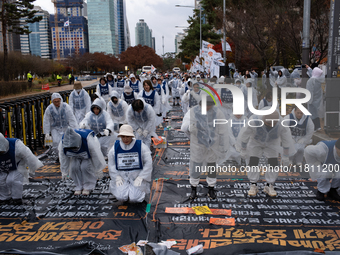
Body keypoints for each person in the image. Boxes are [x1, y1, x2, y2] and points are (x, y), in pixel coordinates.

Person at [236, 108, 296, 197]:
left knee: (273, 162)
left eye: (273, 124)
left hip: (272, 142)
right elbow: (244, 135)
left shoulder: (281, 124)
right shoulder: (254, 121)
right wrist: (243, 149)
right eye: (268, 124)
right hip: (255, 141)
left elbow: (286, 140)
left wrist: (286, 155)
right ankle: (253, 184)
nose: (270, 126)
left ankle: (269, 185)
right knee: (253, 160)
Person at [181, 96, 229, 200]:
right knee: (195, 165)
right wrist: (190, 127)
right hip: (198, 144)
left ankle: (211, 187)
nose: (207, 108)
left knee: (212, 166)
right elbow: (184, 126)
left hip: (213, 145)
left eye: (209, 106)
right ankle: (193, 188)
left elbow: (223, 128)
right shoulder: (193, 112)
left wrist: (222, 144)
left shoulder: (217, 112)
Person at [108, 125, 153, 203]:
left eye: (127, 136)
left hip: (136, 176)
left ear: (131, 136)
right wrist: (117, 176)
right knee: (121, 197)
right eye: (123, 136)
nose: (125, 139)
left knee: (135, 199)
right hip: (122, 177)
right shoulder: (115, 148)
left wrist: (141, 177)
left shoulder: (140, 146)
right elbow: (111, 164)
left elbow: (148, 162)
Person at [59, 127, 106, 196]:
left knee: (85, 167)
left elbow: (95, 154)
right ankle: (78, 185)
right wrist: (64, 171)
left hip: (87, 154)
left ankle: (88, 186)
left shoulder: (88, 140)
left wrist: (98, 169)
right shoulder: (63, 143)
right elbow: (63, 157)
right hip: (75, 156)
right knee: (74, 167)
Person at [0, 133, 43, 205]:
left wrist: (33, 167)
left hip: (17, 165)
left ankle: (17, 198)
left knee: (12, 180)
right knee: (1, 181)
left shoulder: (16, 145)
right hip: (2, 167)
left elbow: (28, 156)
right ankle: (4, 197)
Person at [43, 93, 78, 161]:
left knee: (66, 141)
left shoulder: (66, 107)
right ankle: (59, 156)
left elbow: (71, 118)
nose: (57, 103)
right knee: (56, 142)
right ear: (52, 101)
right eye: (55, 101)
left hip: (65, 127)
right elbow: (46, 121)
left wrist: (75, 129)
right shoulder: (49, 109)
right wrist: (47, 132)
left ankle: (67, 155)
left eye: (58, 101)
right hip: (55, 128)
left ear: (60, 100)